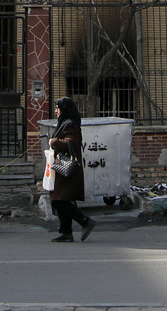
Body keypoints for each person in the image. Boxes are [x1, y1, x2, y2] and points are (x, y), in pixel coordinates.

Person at [47, 96, 95, 243]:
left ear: (64, 109)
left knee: (58, 200)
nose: (56, 111)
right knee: (61, 198)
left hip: (67, 169)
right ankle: (66, 232)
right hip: (61, 168)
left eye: (58, 108)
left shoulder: (71, 124)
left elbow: (71, 143)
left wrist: (54, 141)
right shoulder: (64, 123)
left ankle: (85, 221)